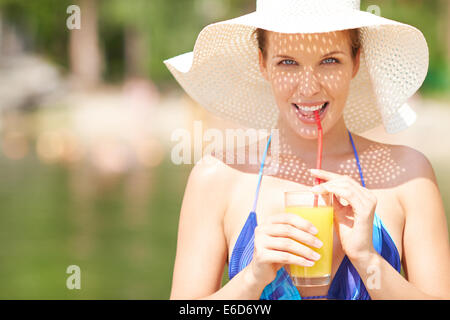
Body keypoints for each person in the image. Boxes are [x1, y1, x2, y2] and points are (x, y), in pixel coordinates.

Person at [164, 0, 450, 300]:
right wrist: (251, 279)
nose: (309, 87)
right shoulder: (216, 177)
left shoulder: (410, 176)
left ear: (355, 61)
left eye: (329, 61)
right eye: (288, 62)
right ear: (263, 63)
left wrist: (369, 262)